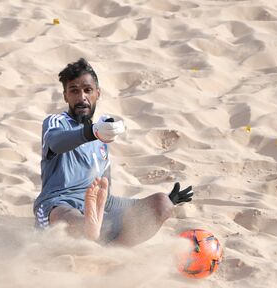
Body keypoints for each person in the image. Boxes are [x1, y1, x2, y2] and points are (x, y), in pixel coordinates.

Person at [33, 58, 193, 246]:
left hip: (97, 212)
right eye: (74, 91)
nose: (82, 97)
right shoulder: (56, 123)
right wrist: (91, 132)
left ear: (97, 93)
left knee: (161, 203)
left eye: (87, 90)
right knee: (67, 215)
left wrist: (160, 203)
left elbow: (106, 199)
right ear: (66, 96)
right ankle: (89, 229)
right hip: (58, 207)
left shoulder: (101, 142)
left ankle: (112, 252)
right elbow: (56, 142)